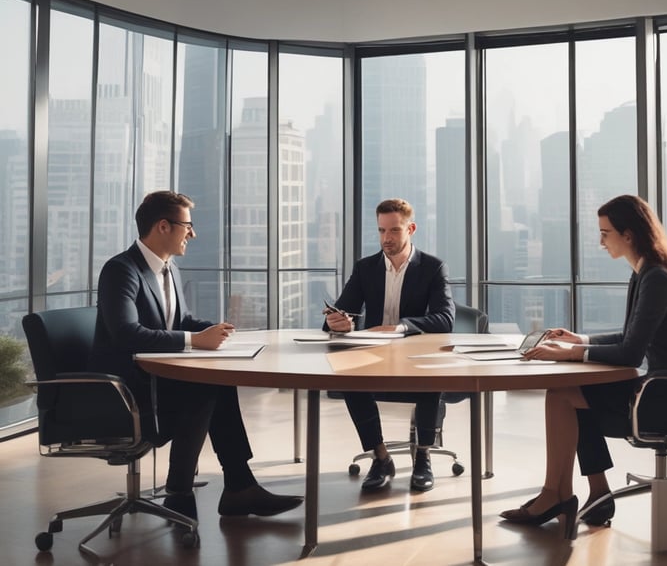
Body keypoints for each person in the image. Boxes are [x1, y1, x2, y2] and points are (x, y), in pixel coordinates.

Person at [90, 190, 303, 522]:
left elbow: (180, 320)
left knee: (218, 382)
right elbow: (125, 334)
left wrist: (215, 330)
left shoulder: (169, 269)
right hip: (127, 390)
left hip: (158, 378)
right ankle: (194, 490)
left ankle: (236, 486)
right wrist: (193, 340)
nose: (193, 233)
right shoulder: (121, 270)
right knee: (206, 386)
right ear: (163, 226)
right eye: (187, 225)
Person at [499, 194, 667, 539]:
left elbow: (630, 354)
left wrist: (569, 354)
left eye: (606, 232)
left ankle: (561, 495)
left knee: (565, 395)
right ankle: (589, 494)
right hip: (662, 385)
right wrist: (581, 339)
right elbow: (632, 334)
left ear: (629, 235)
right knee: (568, 393)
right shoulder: (646, 273)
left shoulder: (655, 278)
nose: (600, 241)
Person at [324, 198, 455, 492]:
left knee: (429, 378)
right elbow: (340, 312)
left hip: (415, 355)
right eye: (382, 231)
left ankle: (423, 457)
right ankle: (381, 457)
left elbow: (445, 319)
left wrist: (399, 327)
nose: (387, 238)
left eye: (394, 230)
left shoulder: (433, 268)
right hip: (375, 355)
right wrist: (339, 322)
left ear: (411, 228)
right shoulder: (366, 268)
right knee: (349, 379)